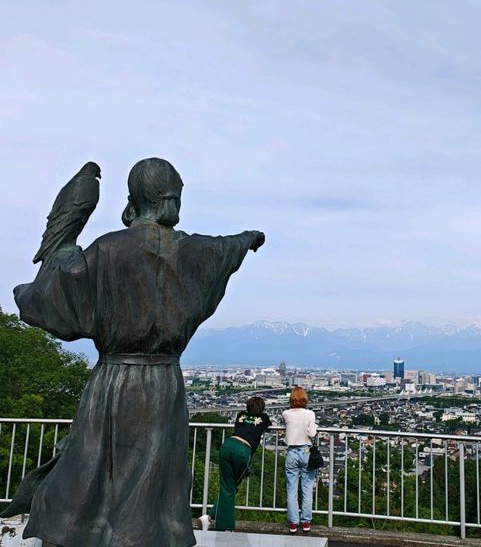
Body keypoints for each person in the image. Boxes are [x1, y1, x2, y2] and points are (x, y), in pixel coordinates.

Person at [8, 158, 265, 547]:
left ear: (133, 200)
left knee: (92, 466)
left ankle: (80, 532)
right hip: (162, 384)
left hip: (110, 381)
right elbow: (224, 248)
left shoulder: (106, 249)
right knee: (151, 475)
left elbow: (56, 287)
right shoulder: (193, 251)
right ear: (167, 200)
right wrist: (249, 238)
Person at [214, 396, 272, 531]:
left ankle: (210, 516)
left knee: (226, 486)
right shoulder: (263, 418)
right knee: (231, 488)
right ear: (261, 409)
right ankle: (225, 528)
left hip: (227, 445)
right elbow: (264, 426)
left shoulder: (240, 415)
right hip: (242, 450)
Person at [283, 386, 318, 534]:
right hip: (306, 451)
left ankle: (293, 523)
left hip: (291, 452)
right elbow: (312, 433)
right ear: (305, 398)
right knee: (307, 488)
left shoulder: (286, 413)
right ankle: (306, 522)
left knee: (291, 489)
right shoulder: (310, 414)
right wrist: (314, 426)